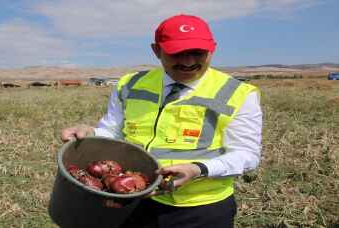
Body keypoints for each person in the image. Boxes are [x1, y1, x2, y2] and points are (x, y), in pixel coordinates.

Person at [61, 14, 262, 228]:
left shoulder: (238, 93)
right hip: (133, 200)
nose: (188, 61)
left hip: (201, 210)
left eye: (197, 52)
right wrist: (91, 132)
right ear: (156, 50)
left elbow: (246, 155)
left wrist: (198, 169)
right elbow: (113, 132)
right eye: (178, 53)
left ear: (212, 49)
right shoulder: (130, 84)